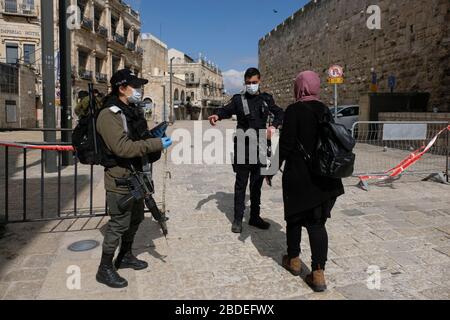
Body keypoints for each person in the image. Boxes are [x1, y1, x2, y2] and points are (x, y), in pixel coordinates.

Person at [95, 69, 173, 288]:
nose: (139, 90)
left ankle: (125, 255)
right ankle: (105, 268)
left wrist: (155, 136)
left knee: (136, 217)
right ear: (122, 88)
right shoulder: (109, 114)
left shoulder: (130, 111)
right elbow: (122, 148)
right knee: (118, 224)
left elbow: (138, 138)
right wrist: (156, 144)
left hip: (136, 176)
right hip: (120, 179)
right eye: (135, 87)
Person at [279, 71, 345, 292]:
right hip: (324, 179)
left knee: (295, 219)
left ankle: (294, 260)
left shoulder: (293, 110)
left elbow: (286, 145)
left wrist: (269, 170)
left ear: (299, 87)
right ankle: (318, 274)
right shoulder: (324, 109)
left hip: (298, 176)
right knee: (317, 225)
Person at [208, 68, 284, 234]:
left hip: (262, 145)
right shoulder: (238, 100)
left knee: (256, 185)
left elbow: (279, 113)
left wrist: (273, 125)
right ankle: (237, 219)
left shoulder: (266, 99)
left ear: (259, 81)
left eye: (254, 83)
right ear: (244, 82)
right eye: (248, 83)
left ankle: (255, 217)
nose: (251, 85)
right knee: (241, 184)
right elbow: (225, 110)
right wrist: (216, 116)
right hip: (243, 145)